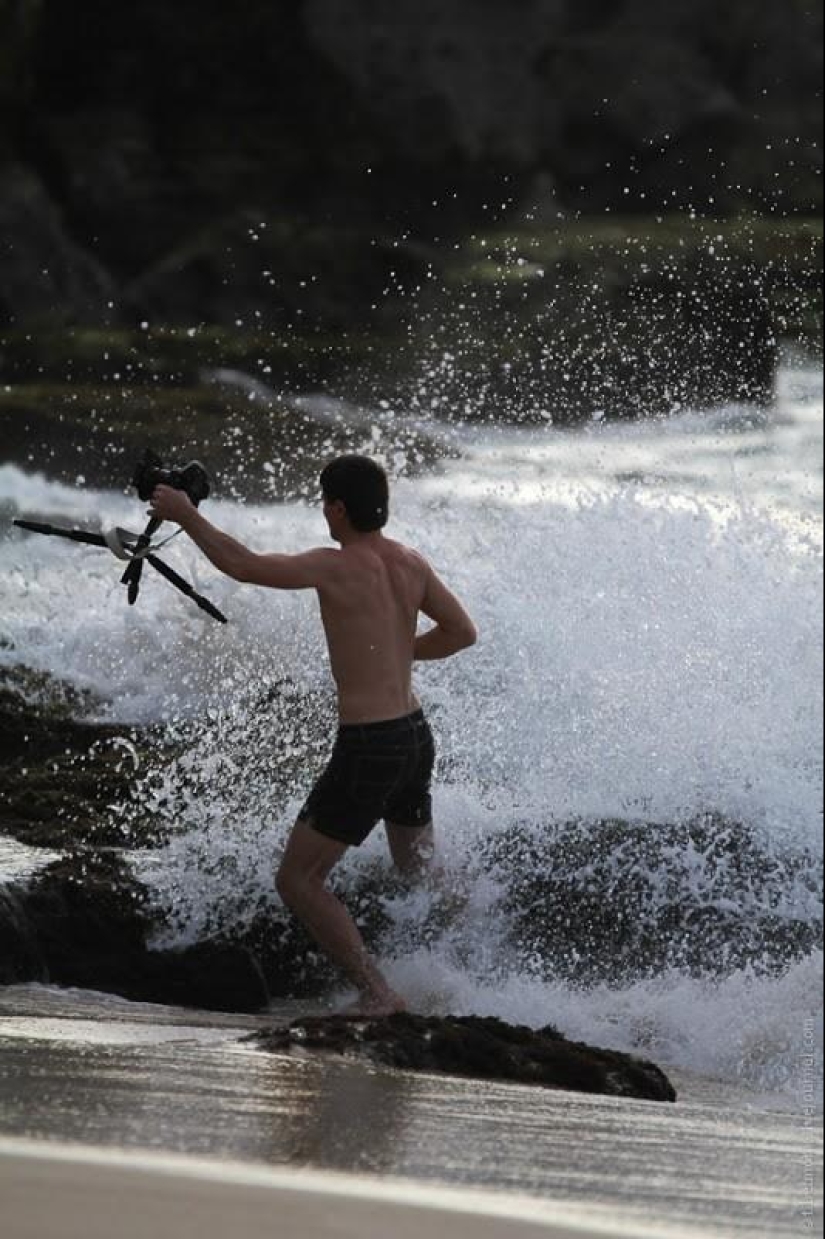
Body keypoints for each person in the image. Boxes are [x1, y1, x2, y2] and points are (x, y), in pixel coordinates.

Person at [150, 455, 478, 1016]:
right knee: (417, 868)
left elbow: (243, 565)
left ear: (339, 508)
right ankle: (477, 942)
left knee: (298, 880)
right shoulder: (410, 562)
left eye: (325, 501)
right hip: (414, 736)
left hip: (371, 744)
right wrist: (402, 652)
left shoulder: (335, 565)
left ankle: (378, 994)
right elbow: (461, 632)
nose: (322, 511)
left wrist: (185, 515)